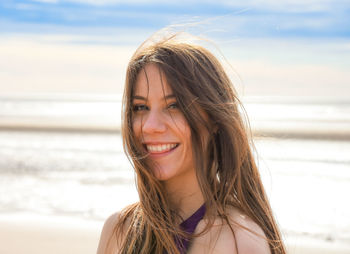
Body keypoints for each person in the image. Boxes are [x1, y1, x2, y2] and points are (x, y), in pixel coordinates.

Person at [97, 33, 286, 254]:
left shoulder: (239, 240)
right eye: (140, 107)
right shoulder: (119, 230)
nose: (150, 126)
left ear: (214, 118)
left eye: (174, 105)